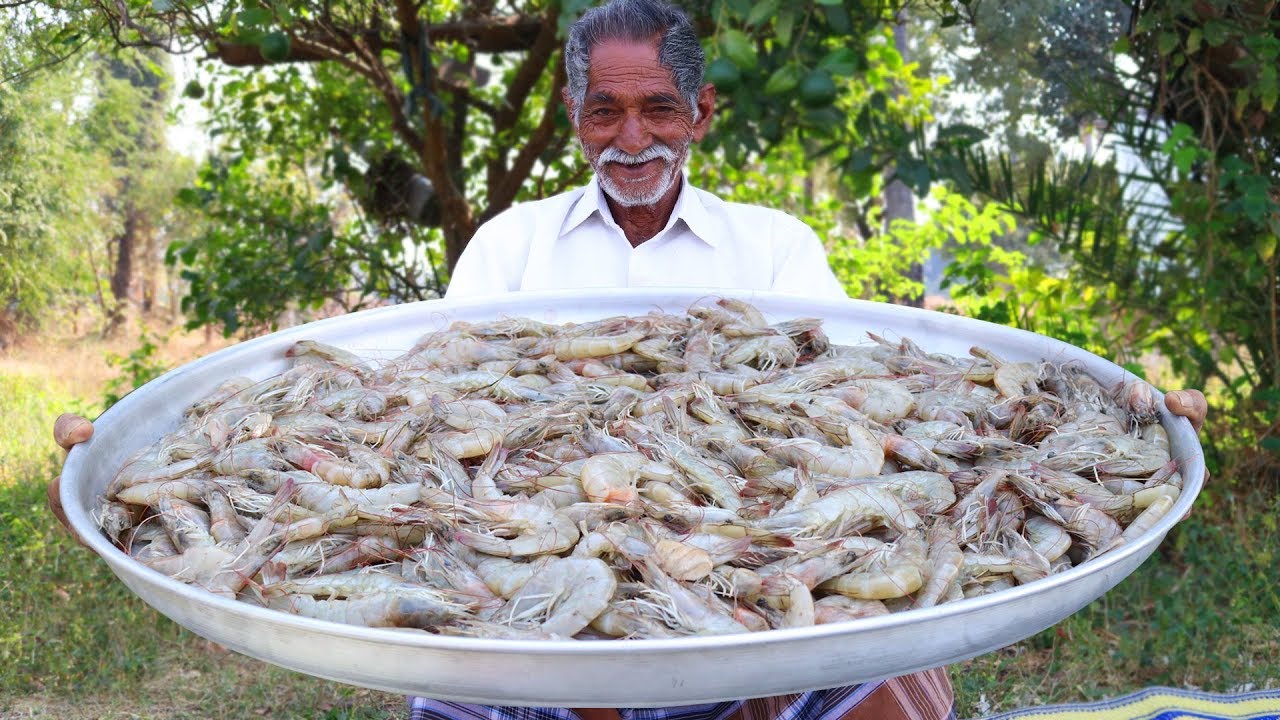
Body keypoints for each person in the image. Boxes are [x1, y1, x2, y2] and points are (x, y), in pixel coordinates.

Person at [46, 1, 1211, 719]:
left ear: (699, 113)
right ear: (572, 117)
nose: (631, 138)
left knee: (891, 686)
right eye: (605, 113)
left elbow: (890, 398)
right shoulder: (506, 250)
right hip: (544, 625)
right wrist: (123, 463)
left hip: (765, 620)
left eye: (656, 108)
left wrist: (1134, 411)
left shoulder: (775, 248)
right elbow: (411, 404)